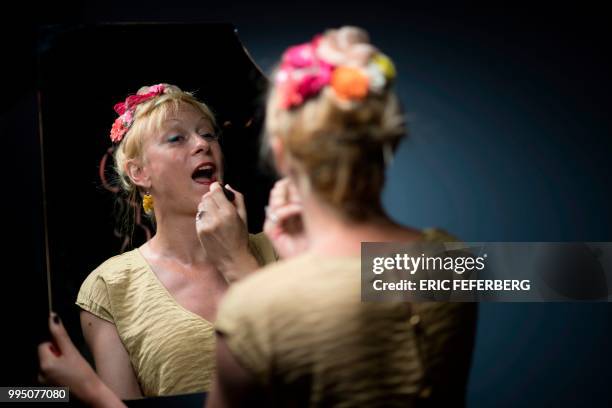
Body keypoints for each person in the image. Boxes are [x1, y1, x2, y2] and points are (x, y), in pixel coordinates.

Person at [205, 26, 477, 407]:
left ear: (281, 154)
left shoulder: (253, 308)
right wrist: (304, 264)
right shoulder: (448, 256)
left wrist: (240, 265)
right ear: (388, 142)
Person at [41, 84, 277, 399]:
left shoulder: (280, 245)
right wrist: (87, 389)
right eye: (177, 138)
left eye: (208, 135)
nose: (202, 145)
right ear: (139, 173)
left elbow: (326, 367)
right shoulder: (111, 286)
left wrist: (238, 258)